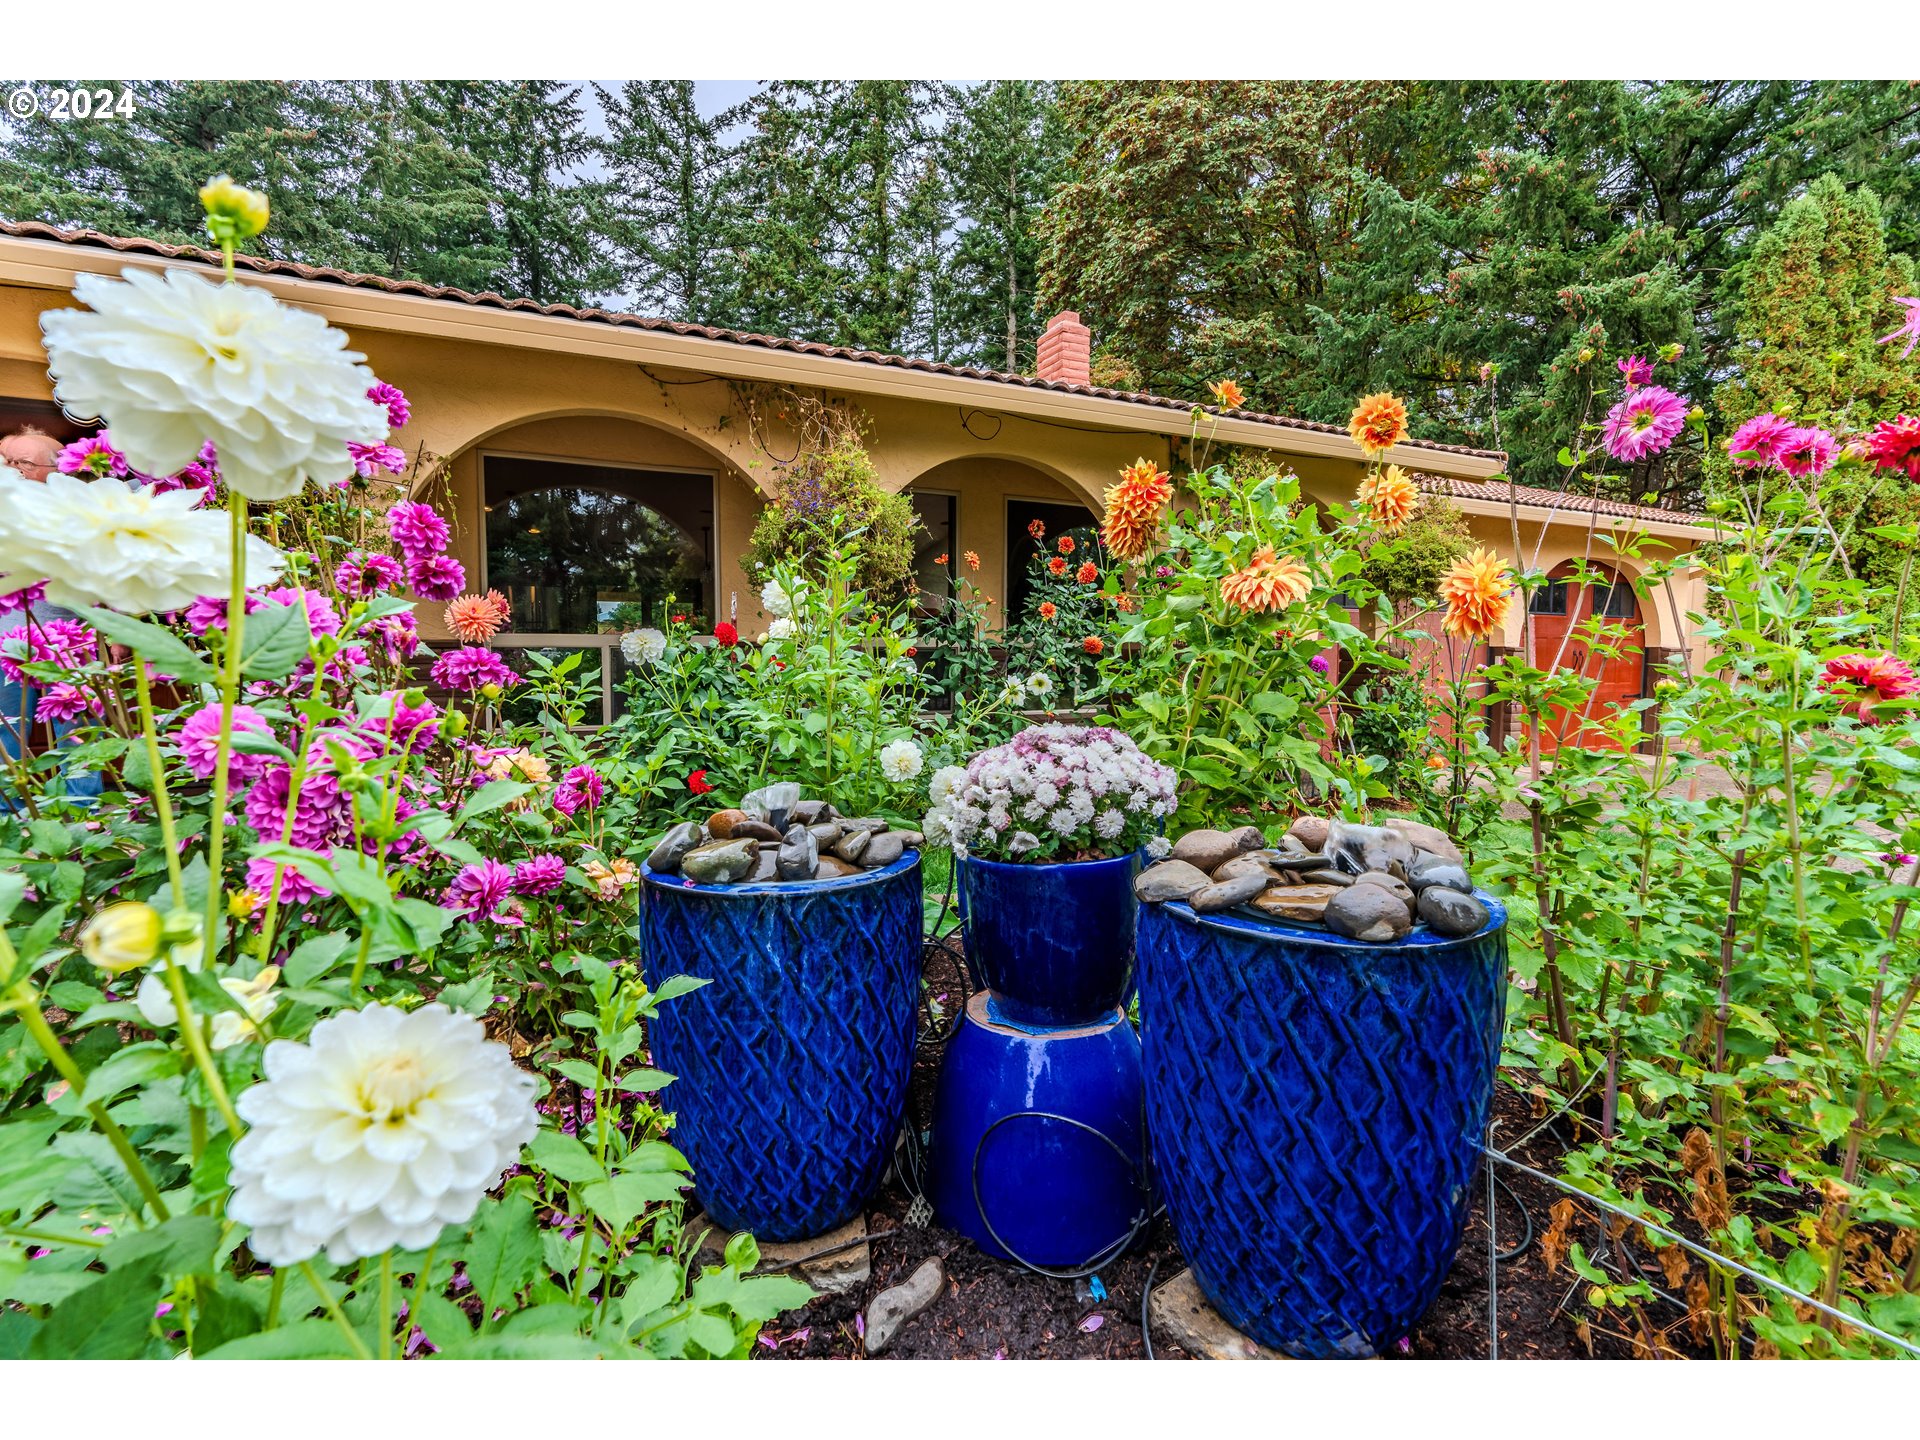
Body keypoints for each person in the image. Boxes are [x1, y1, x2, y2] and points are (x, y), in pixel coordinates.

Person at [1, 426, 101, 805]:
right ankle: (7, 823)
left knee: (80, 736)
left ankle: (85, 815)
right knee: (5, 737)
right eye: (7, 461)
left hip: (72, 642)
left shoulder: (83, 512)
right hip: (6, 643)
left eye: (23, 463)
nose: (13, 470)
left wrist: (121, 632)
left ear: (56, 471)